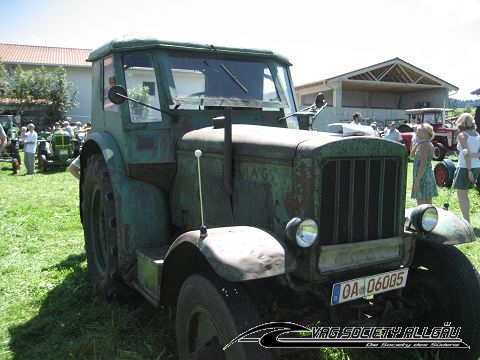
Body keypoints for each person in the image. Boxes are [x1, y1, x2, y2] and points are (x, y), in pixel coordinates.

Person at [453, 113, 480, 223]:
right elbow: (477, 154)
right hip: (477, 166)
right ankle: (466, 219)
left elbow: (467, 154)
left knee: (462, 195)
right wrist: (472, 155)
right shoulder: (477, 135)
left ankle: (466, 221)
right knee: (465, 194)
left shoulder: (462, 135)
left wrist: (469, 171)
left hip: (465, 167)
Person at [410, 123, 438, 205]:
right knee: (428, 203)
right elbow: (411, 156)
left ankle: (422, 218)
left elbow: (423, 164)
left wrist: (417, 181)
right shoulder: (428, 144)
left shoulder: (424, 146)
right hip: (428, 174)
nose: (417, 133)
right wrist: (417, 144)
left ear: (425, 133)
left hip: (422, 176)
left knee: (421, 204)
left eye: (419, 132)